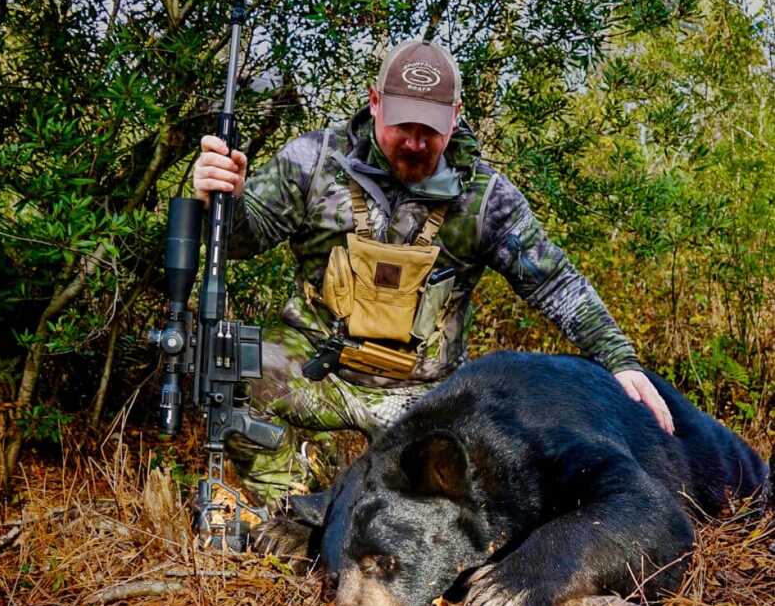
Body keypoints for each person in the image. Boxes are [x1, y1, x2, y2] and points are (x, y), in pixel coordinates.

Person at [193, 39, 674, 504]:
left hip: (425, 394)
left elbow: (555, 283)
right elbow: (240, 241)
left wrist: (621, 361)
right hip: (320, 366)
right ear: (375, 103)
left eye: (432, 129)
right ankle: (297, 505)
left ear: (457, 116)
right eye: (404, 125)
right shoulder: (315, 162)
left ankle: (372, 506)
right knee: (235, 363)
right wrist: (222, 199)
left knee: (472, 484)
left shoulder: (486, 198)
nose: (417, 143)